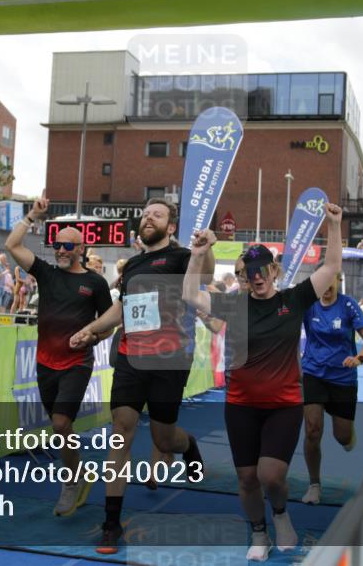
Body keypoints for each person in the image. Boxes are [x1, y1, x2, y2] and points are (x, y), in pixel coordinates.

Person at [181, 202, 343, 560]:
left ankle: (281, 516)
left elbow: (331, 266)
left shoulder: (295, 299)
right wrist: (197, 255)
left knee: (271, 475)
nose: (255, 276)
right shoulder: (234, 304)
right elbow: (191, 295)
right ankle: (258, 532)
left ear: (274, 270)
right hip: (240, 407)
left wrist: (333, 225)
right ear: (241, 275)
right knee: (247, 478)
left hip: (283, 405)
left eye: (261, 269)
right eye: (247, 270)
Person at [70, 198, 213, 554]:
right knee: (121, 430)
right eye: (146, 213)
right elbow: (121, 309)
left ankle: (188, 444)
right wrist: (90, 329)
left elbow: (205, 276)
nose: (149, 217)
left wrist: (205, 249)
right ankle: (111, 522)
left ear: (171, 227)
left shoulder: (182, 257)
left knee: (165, 441)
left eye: (158, 215)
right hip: (131, 357)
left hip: (170, 360)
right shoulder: (132, 265)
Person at [6, 191, 113, 516]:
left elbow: (109, 325)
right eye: (58, 245)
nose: (62, 250)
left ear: (81, 249)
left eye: (69, 246)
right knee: (58, 426)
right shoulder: (47, 272)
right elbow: (12, 245)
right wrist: (31, 217)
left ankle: (70, 483)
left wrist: (91, 337)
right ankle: (79, 475)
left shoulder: (95, 283)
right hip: (44, 362)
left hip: (76, 364)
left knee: (62, 422)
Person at [300, 272, 363, 505]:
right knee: (312, 429)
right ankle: (314, 485)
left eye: (330, 283)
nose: (326, 288)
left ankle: (348, 434)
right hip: (313, 373)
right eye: (322, 283)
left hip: (343, 378)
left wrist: (359, 358)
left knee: (342, 437)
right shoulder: (309, 305)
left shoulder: (348, 305)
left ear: (337, 282)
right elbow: (284, 318)